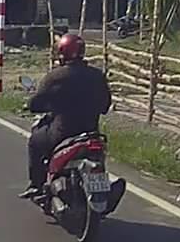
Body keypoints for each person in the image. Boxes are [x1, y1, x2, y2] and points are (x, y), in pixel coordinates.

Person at [18, 33, 112, 198]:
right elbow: (105, 106)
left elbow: (35, 103)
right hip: (91, 132)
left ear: (62, 52)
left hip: (62, 133)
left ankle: (37, 185)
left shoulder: (56, 76)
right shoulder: (97, 75)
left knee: (35, 141)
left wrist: (36, 106)